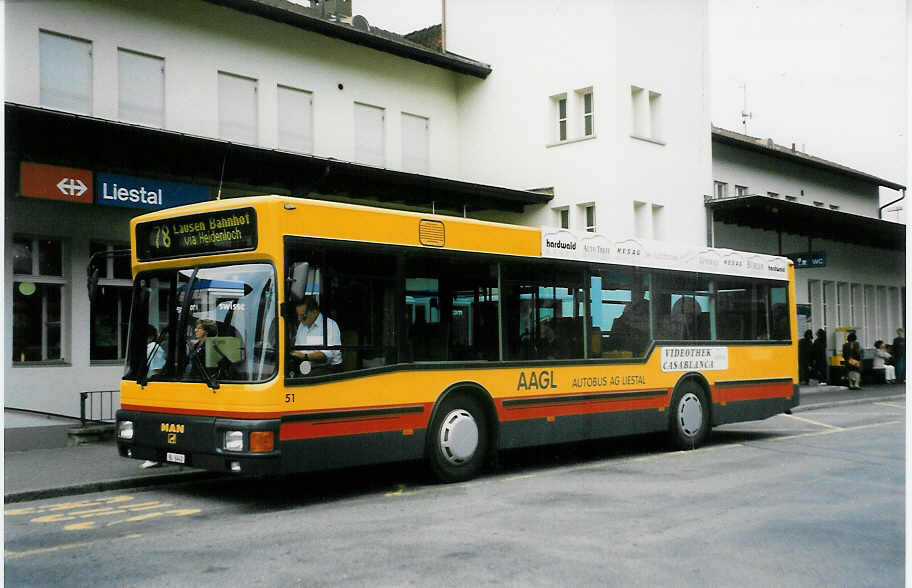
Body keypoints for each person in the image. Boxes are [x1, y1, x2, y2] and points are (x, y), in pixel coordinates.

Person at [291, 296, 341, 375]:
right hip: (306, 366)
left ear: (315, 312)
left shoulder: (330, 325)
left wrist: (304, 356)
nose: (299, 319)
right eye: (298, 315)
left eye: (303, 316)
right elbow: (298, 349)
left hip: (328, 368)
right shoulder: (302, 326)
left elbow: (325, 357)